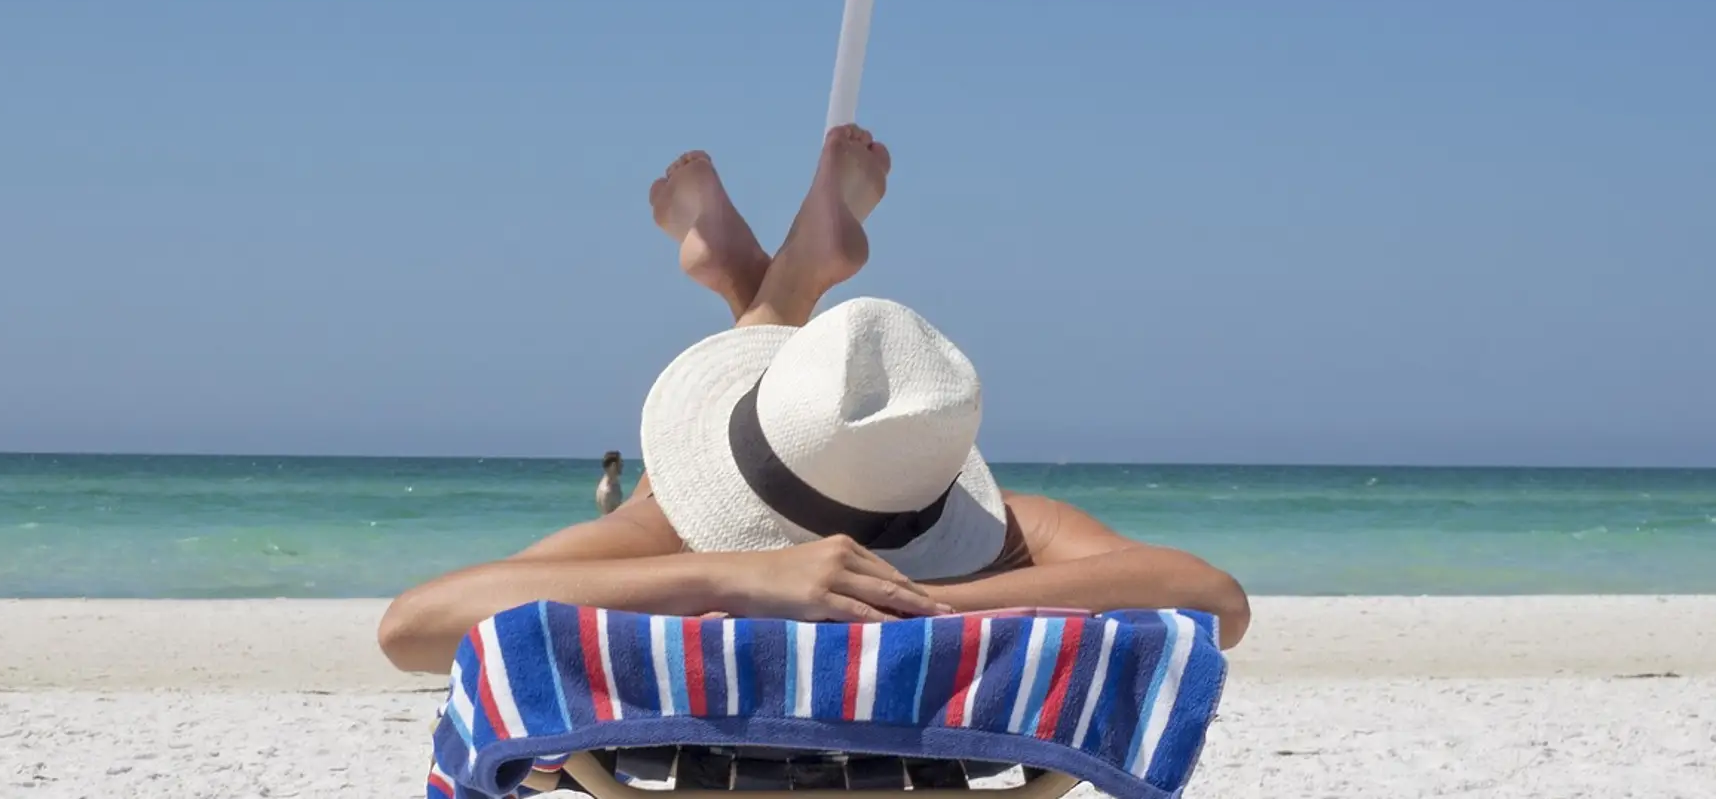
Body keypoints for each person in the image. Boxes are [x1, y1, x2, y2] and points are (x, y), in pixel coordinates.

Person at [379, 126, 1250, 674]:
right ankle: (779, 281)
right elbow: (1215, 596)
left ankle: (780, 289)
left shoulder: (671, 527)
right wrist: (932, 599)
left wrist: (739, 576)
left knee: (660, 488)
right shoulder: (1015, 539)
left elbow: (413, 625)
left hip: (710, 570)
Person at [595, 450, 624, 515]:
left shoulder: (612, 482)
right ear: (613, 465)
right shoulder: (608, 492)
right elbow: (608, 517)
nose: (622, 465)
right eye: (620, 463)